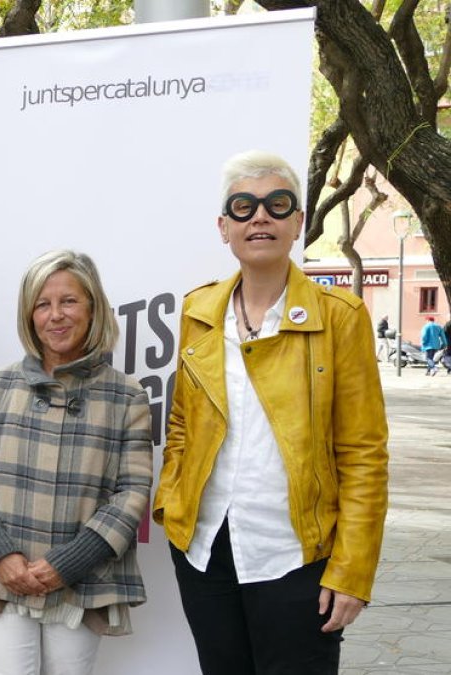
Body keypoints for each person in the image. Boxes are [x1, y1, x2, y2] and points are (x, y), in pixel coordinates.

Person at [154, 150, 389, 675]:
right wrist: (173, 501)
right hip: (206, 553)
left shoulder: (340, 319)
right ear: (224, 227)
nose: (260, 217)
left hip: (296, 559)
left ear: (298, 222)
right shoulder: (198, 311)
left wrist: (352, 569)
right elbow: (182, 424)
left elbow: (364, 455)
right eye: (243, 206)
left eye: (276, 204)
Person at [0, 250, 152, 675]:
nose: (56, 315)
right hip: (2, 573)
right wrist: (2, 555)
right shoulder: (0, 384)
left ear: (93, 308)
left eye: (69, 301)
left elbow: (132, 493)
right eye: (42, 304)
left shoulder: (127, 396)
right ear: (29, 314)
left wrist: (65, 564)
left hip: (80, 578)